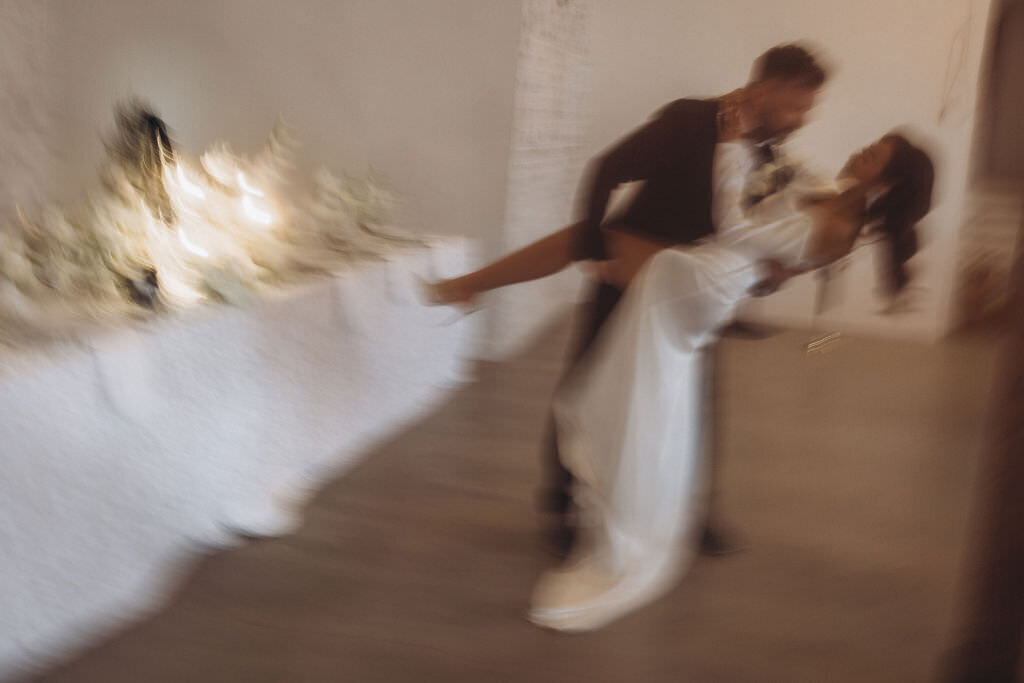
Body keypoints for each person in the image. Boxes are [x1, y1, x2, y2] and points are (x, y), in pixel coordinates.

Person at [426, 44, 830, 559]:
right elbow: (607, 168)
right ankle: (560, 502)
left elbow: (740, 233)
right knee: (587, 379)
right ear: (767, 88)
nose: (804, 119)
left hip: (686, 291)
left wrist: (768, 275)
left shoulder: (769, 157)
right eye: (797, 106)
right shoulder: (691, 119)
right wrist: (596, 246)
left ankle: (692, 510)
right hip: (629, 271)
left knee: (697, 399)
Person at [526, 128, 935, 631]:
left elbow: (738, 232)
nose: (860, 149)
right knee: (646, 396)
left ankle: (626, 519)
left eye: (874, 155)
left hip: (700, 285)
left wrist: (725, 158)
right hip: (689, 274)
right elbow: (777, 210)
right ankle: (627, 504)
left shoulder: (841, 227)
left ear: (887, 183)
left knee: (640, 395)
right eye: (869, 144)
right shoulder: (828, 191)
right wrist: (770, 169)